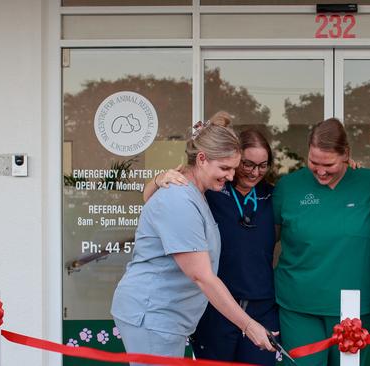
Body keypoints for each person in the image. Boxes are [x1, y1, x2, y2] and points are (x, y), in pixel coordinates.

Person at [111, 114, 275, 366]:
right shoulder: (179, 199)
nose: (232, 177)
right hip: (154, 314)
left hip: (169, 316)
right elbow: (202, 276)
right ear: (201, 159)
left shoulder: (197, 191)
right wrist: (248, 325)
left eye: (234, 168)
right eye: (225, 168)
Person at [273, 118, 370, 366]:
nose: (320, 171)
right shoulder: (289, 187)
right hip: (299, 305)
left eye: (329, 164)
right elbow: (265, 242)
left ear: (346, 155)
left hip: (355, 308)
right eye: (314, 162)